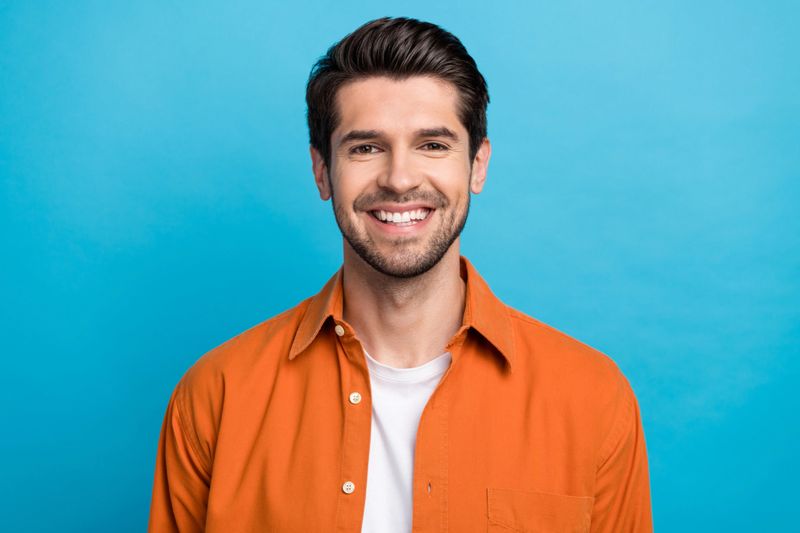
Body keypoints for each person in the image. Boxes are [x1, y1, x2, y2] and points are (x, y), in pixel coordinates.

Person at [148, 17, 652, 533]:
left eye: (433, 145)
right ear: (322, 171)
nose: (400, 178)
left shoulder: (593, 401)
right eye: (366, 147)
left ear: (478, 165)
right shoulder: (216, 397)